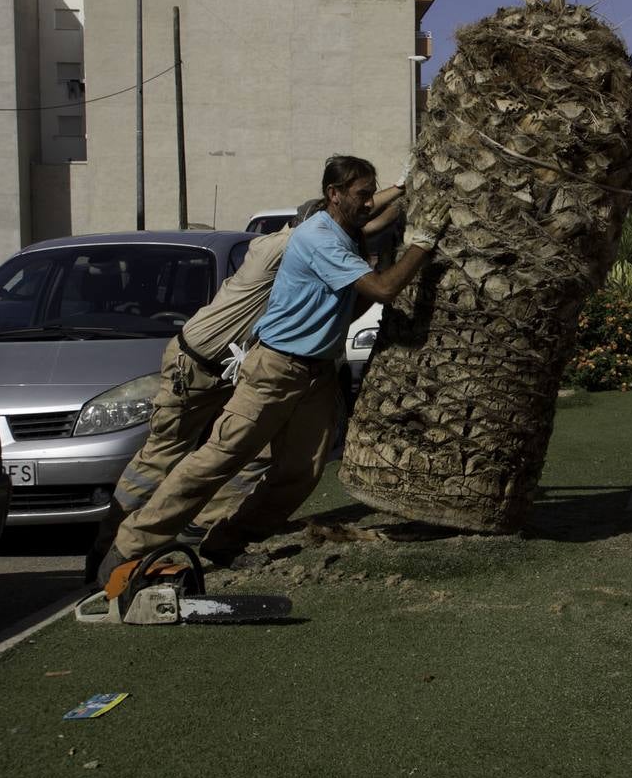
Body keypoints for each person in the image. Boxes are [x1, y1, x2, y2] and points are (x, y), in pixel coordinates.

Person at [99, 154, 445, 583]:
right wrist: (422, 245)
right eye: (361, 194)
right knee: (216, 460)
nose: (368, 203)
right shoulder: (319, 239)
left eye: (371, 193)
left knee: (300, 472)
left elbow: (356, 295)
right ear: (333, 195)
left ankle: (228, 541)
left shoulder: (343, 235)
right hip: (274, 369)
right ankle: (129, 546)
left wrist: (401, 192)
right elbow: (385, 288)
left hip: (315, 373)